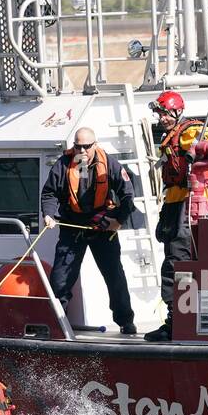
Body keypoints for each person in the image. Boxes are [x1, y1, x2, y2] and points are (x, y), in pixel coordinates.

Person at [40, 127, 138, 334]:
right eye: (78, 146)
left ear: (95, 145)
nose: (82, 150)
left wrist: (117, 221)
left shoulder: (110, 164)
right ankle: (56, 324)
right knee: (60, 279)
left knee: (114, 276)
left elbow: (128, 196)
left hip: (102, 227)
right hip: (72, 226)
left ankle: (125, 321)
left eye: (86, 146)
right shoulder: (63, 165)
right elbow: (49, 193)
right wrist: (48, 214)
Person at [144, 90, 208, 342]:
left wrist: (197, 149)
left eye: (164, 113)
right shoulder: (172, 134)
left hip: (190, 204)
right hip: (174, 202)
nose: (161, 118)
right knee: (173, 258)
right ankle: (177, 317)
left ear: (176, 112)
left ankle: (178, 321)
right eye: (159, 114)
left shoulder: (191, 131)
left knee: (178, 262)